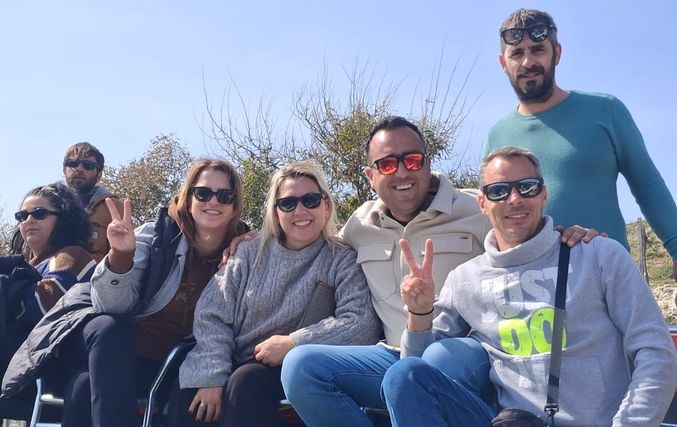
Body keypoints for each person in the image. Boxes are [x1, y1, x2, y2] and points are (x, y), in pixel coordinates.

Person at [281, 116, 595, 426]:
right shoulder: (359, 225)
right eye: (387, 164)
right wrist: (256, 241)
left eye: (413, 160)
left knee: (438, 358)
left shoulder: (476, 208)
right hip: (395, 354)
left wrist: (576, 233)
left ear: (428, 164)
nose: (402, 171)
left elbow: (529, 230)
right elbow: (315, 247)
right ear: (370, 175)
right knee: (301, 366)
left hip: (469, 356)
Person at [381, 147, 677, 426]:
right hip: (509, 421)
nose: (514, 199)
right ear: (482, 203)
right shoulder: (465, 279)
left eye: (527, 187)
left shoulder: (598, 256)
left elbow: (656, 351)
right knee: (403, 375)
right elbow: (418, 377)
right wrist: (419, 314)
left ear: (544, 195)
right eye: (498, 191)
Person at [2, 159, 250, 427]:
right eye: (202, 193)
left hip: (179, 361)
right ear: (187, 197)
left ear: (235, 205)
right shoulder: (155, 237)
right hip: (120, 350)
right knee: (106, 332)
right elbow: (110, 305)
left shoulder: (244, 251)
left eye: (225, 196)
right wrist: (121, 255)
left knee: (84, 386)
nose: (213, 202)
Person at [170, 159, 381, 427]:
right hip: (231, 358)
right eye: (288, 203)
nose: (300, 210)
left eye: (311, 200)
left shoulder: (341, 259)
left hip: (293, 369)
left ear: (326, 206)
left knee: (246, 382)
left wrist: (293, 343)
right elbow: (212, 313)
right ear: (275, 211)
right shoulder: (248, 252)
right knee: (189, 388)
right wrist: (211, 374)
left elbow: (361, 323)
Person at [485, 8, 677, 281]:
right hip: (530, 287)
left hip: (607, 280)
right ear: (503, 63)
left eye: (538, 50)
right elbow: (492, 217)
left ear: (557, 53)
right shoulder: (497, 136)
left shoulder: (605, 111)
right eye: (517, 53)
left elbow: (647, 185)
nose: (528, 62)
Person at [0, 183, 95, 419]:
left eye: (39, 213)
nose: (29, 220)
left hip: (46, 372)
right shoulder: (26, 266)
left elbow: (42, 306)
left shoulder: (73, 255)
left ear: (63, 219)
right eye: (22, 215)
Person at [63, 142, 124, 261]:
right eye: (73, 164)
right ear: (64, 170)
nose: (79, 169)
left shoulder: (113, 207)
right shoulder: (48, 204)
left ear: (99, 174)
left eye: (88, 166)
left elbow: (122, 257)